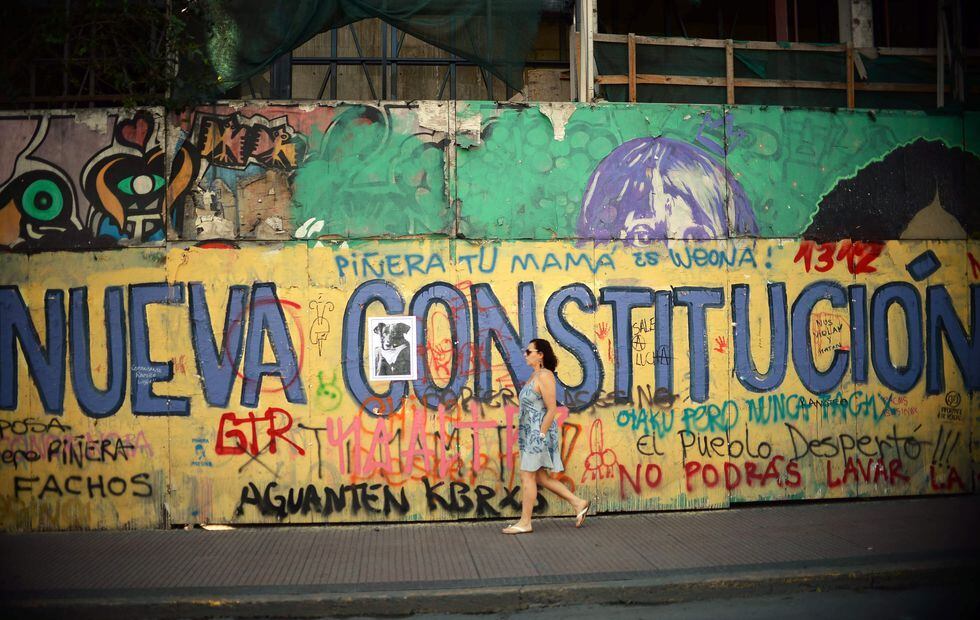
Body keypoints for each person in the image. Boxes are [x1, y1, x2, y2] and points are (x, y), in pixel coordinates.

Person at [502, 338, 590, 535]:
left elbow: (551, 409)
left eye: (529, 351)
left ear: (540, 355)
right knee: (540, 477)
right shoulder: (536, 375)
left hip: (537, 434)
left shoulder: (545, 376)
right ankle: (578, 503)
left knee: (527, 475)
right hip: (530, 433)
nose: (525, 354)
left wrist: (540, 434)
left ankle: (525, 522)